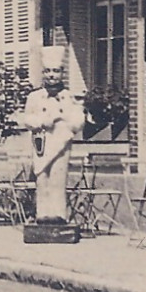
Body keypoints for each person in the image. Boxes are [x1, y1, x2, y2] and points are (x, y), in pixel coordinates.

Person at [18, 47, 85, 224]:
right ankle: (43, 214)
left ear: (62, 73)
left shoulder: (68, 97)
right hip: (42, 143)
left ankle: (58, 215)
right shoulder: (35, 97)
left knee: (58, 178)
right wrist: (42, 121)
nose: (52, 75)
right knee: (42, 179)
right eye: (48, 71)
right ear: (43, 73)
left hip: (61, 143)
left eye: (55, 71)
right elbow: (27, 118)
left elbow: (78, 119)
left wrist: (64, 119)